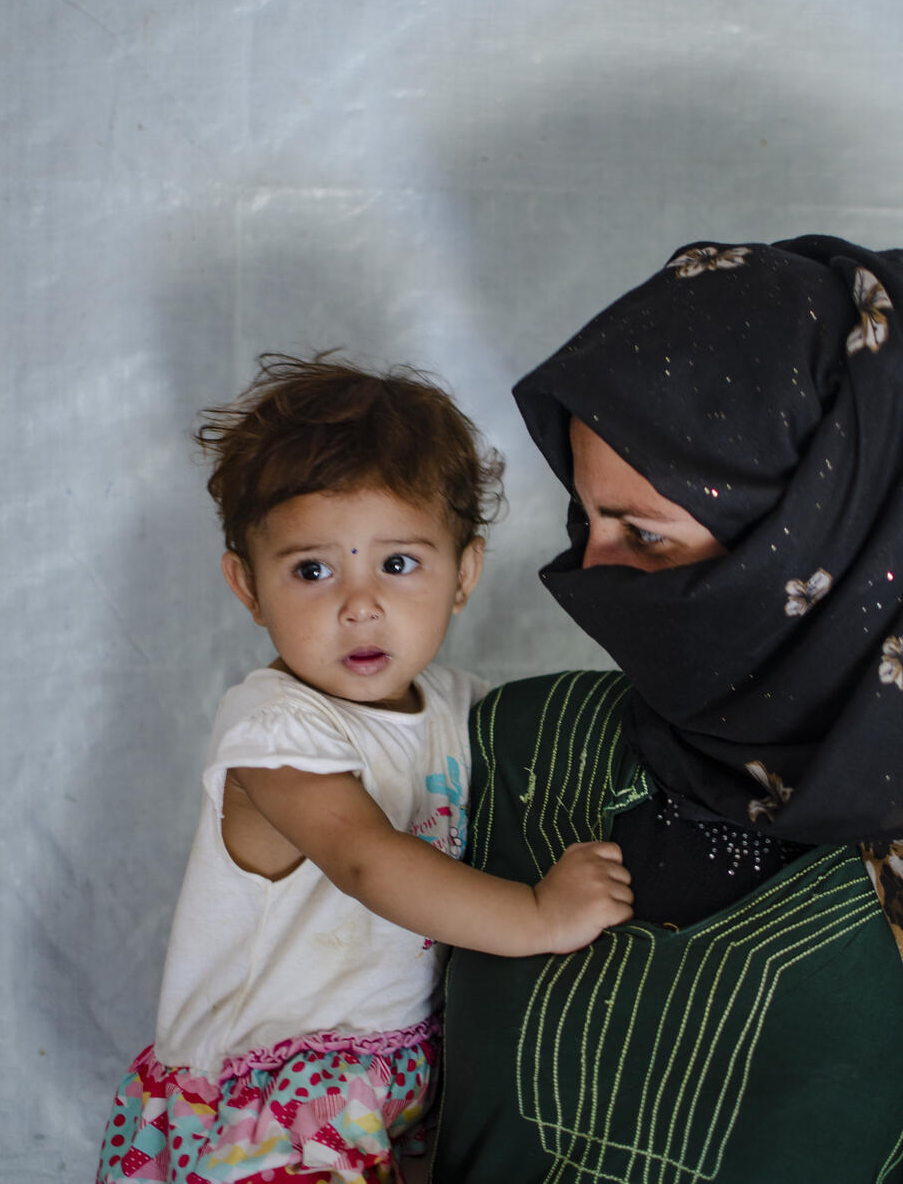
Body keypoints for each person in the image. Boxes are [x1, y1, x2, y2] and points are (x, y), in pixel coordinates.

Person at [431, 236, 903, 1183]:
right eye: (585, 515)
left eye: (644, 534)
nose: (589, 573)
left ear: (806, 538)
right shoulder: (512, 745)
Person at [96, 356, 634, 1184]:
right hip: (274, 1097)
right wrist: (537, 915)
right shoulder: (275, 728)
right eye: (312, 569)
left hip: (395, 1078)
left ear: (465, 574)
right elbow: (367, 859)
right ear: (247, 584)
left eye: (398, 563)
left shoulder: (461, 709)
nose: (359, 603)